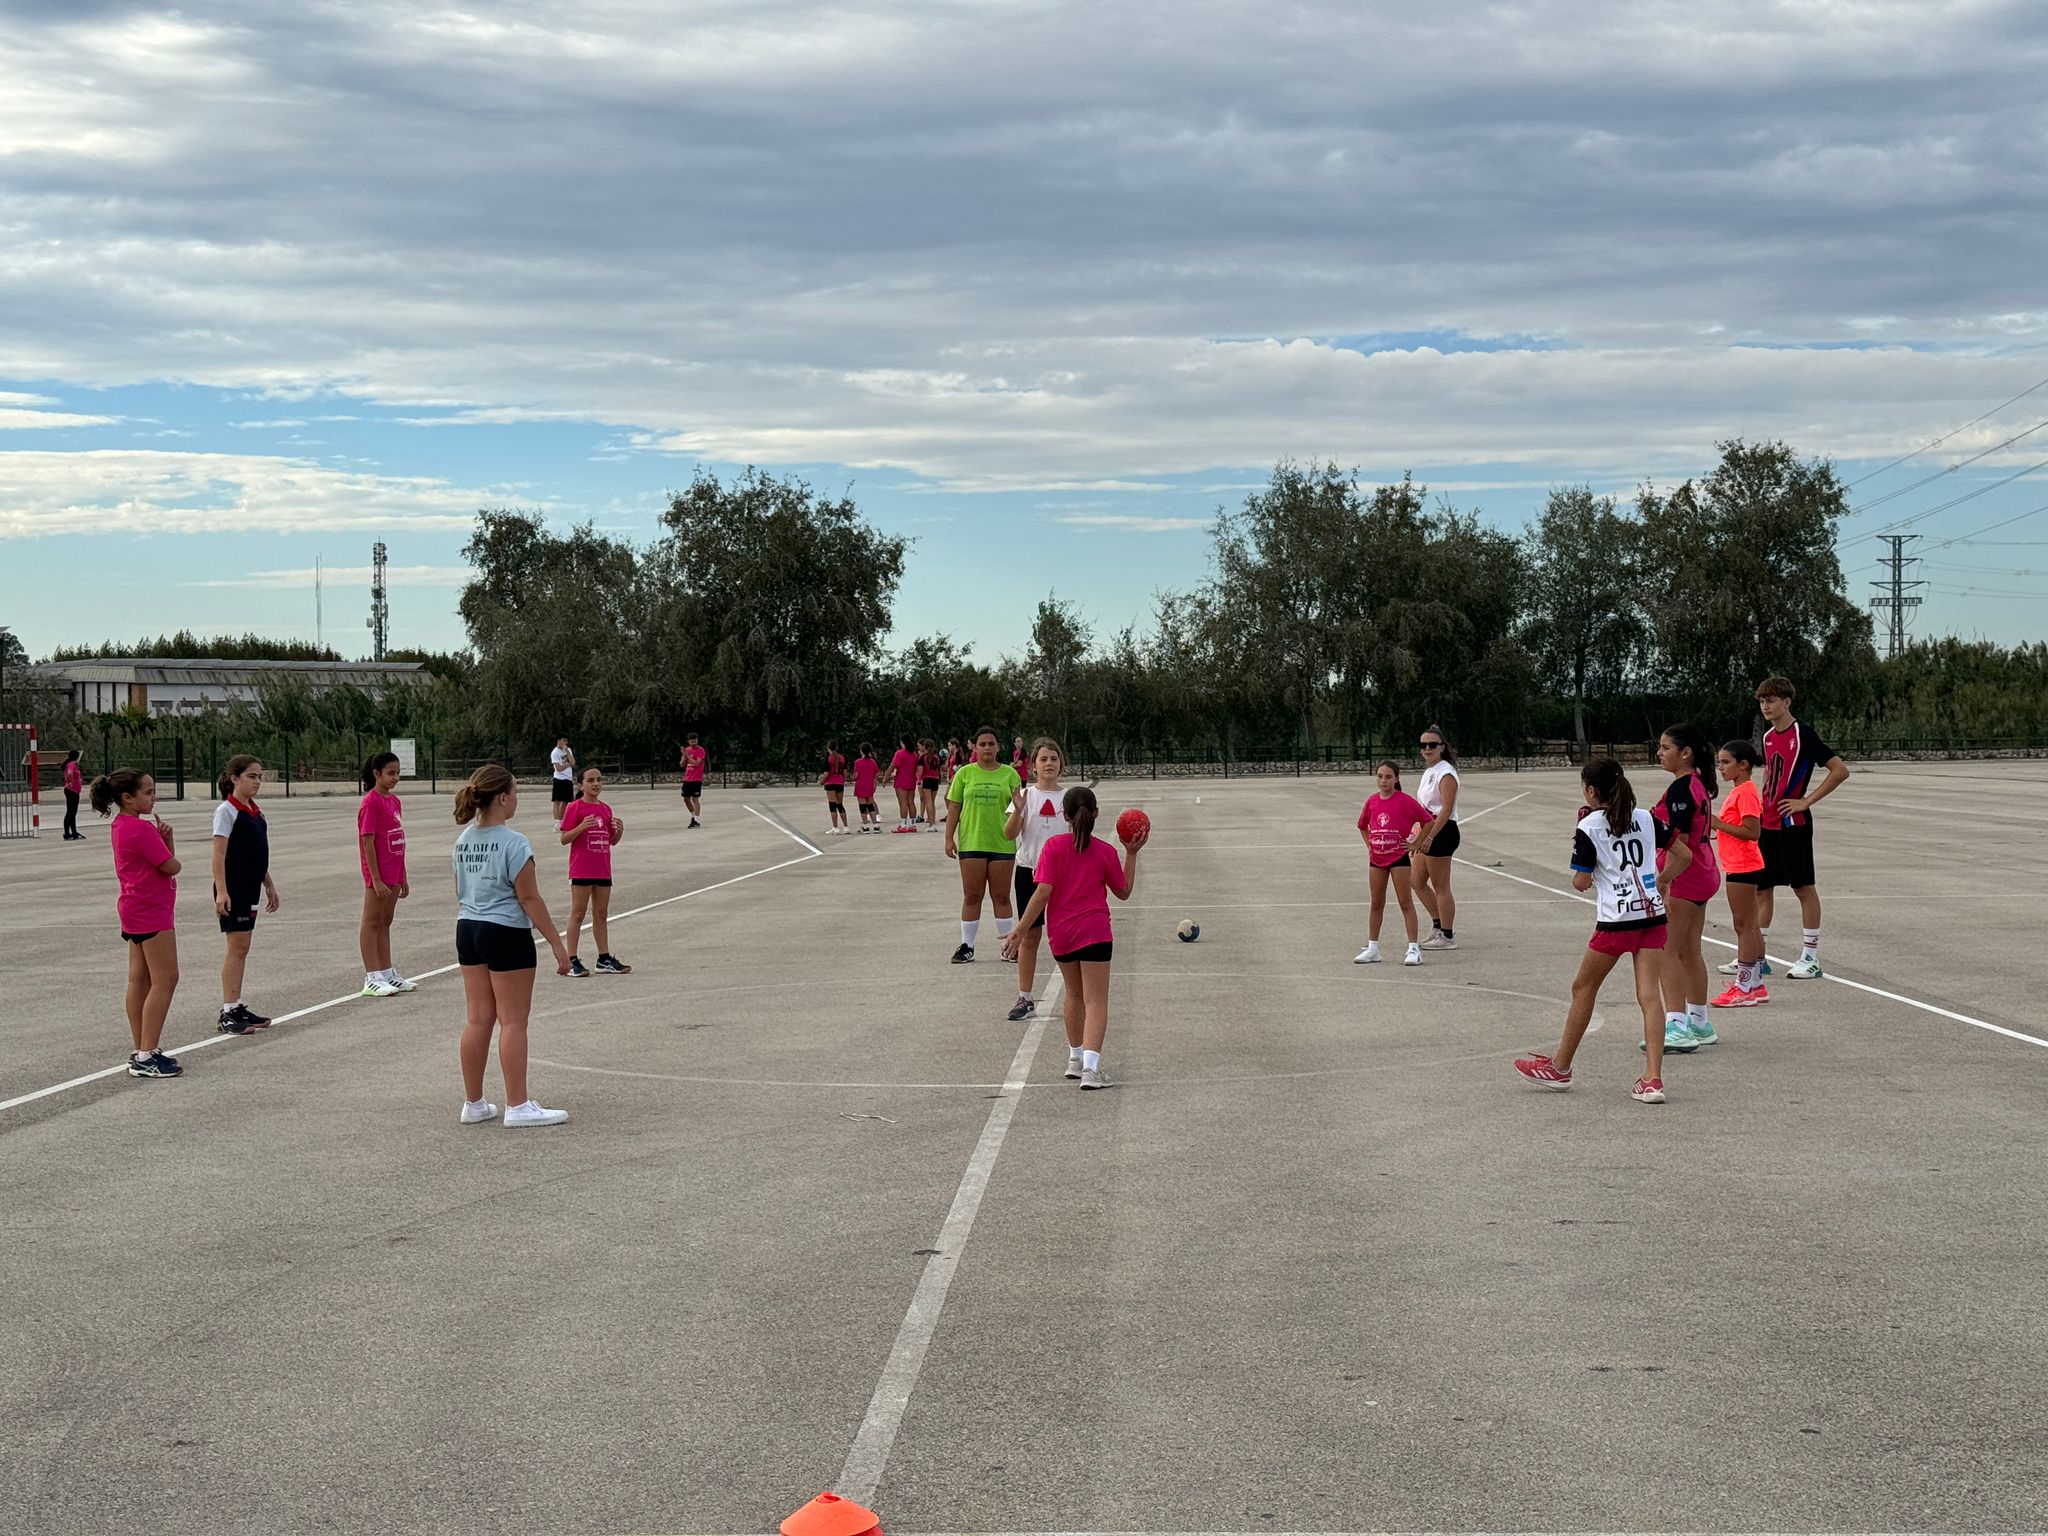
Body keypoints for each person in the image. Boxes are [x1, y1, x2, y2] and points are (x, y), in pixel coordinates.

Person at [1513, 758, 1672, 1105]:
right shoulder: (1647, 818)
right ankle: (1653, 1078)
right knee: (1649, 995)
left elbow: (1581, 881)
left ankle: (1561, 1066)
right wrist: (1659, 883)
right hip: (1652, 915)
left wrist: (1586, 874)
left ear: (1590, 790)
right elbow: (1685, 854)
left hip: (1616, 920)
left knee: (1583, 987)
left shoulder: (1590, 826)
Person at [1001, 784, 1146, 1088]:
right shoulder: (1105, 852)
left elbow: (1042, 894)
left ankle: (1075, 1059)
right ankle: (1091, 1070)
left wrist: (1020, 930)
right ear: (1096, 814)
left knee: (1074, 995)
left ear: (1064, 815)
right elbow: (1124, 892)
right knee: (1096, 1001)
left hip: (1061, 935)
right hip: (1095, 932)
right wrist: (1131, 854)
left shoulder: (1053, 847)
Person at [452, 764, 573, 1127]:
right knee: (514, 1021)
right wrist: (557, 943)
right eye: (516, 792)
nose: (517, 798)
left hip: (468, 928)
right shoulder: (514, 842)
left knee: (477, 1019)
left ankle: (474, 1103)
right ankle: (517, 1105)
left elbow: (461, 889)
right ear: (502, 798)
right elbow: (530, 898)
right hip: (504, 933)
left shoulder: (463, 841)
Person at [1754, 676, 1850, 980]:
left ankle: (1810, 957)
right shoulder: (1769, 737)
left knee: (1802, 887)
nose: (1766, 706)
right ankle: (1757, 955)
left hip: (1792, 823)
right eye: (1762, 701)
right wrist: (1761, 804)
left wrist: (1806, 800)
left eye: (1771, 700)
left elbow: (1839, 770)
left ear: (1787, 702)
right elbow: (1771, 772)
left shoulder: (1803, 734)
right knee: (1762, 888)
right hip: (1768, 822)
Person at [92, 768, 182, 1079]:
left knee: (139, 980)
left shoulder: (121, 825)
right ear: (127, 798)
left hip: (133, 909)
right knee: (166, 979)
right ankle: (146, 1055)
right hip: (151, 911)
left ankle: (142, 1047)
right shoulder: (141, 831)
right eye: (147, 793)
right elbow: (172, 866)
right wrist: (167, 841)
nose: (153, 797)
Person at [1652, 723, 1720, 1054]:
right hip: (1705, 871)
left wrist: (1663, 880)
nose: (1660, 753)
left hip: (1686, 876)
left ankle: (1676, 1024)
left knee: (1667, 950)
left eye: (1666, 748)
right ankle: (1699, 1020)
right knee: (1690, 950)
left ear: (1686, 752)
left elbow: (1679, 846)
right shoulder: (1698, 785)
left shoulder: (1682, 788)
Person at [211, 754, 280, 1035]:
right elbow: (219, 853)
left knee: (244, 947)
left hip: (251, 884)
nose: (257, 782)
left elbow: (256, 853)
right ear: (234, 779)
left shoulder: (254, 810)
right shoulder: (227, 811)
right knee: (236, 948)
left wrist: (269, 883)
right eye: (252, 776)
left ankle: (237, 1005)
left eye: (259, 776)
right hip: (235, 886)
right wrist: (222, 891)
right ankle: (228, 1011)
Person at [943, 726, 1023, 962]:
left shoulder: (1010, 775)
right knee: (972, 896)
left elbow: (1019, 809)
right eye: (982, 744)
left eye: (991, 744)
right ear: (974, 748)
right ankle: (967, 946)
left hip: (1002, 844)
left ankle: (1007, 947)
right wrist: (949, 837)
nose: (987, 748)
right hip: (972, 843)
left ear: (998, 747)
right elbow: (955, 807)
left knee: (1001, 896)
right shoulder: (965, 774)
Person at [1001, 736, 1067, 1020]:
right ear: (1034, 766)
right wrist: (1018, 809)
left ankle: (1076, 994)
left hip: (1065, 876)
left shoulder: (1070, 798)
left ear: (1061, 765)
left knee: (1065, 936)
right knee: (1030, 936)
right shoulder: (1026, 796)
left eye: (1054, 758)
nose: (1049, 763)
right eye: (1043, 759)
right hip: (1030, 872)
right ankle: (1025, 997)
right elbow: (1009, 834)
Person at [1354, 761, 1431, 966]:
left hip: (1398, 857)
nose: (1383, 781)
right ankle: (1372, 948)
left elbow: (1428, 821)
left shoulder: (1405, 801)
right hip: (1376, 858)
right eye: (1380, 776)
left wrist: (1417, 842)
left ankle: (1413, 948)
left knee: (1405, 902)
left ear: (1396, 779)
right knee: (1376, 902)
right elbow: (1362, 825)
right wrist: (1369, 844)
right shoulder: (1372, 801)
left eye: (1388, 777)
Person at [1711, 738, 1770, 1009]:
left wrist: (1719, 825)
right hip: (1741, 864)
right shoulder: (1739, 790)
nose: (1720, 768)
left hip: (1743, 866)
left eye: (1725, 762)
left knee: (1743, 926)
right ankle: (1755, 983)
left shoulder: (1745, 791)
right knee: (1751, 925)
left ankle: (1744, 985)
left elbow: (1752, 831)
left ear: (1743, 765)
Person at [559, 765, 631, 978]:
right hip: (582, 868)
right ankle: (572, 959)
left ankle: (604, 958)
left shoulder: (605, 809)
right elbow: (564, 838)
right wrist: (581, 827)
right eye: (590, 780)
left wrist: (619, 831)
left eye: (599, 779)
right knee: (578, 913)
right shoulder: (575, 807)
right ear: (581, 785)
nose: (596, 784)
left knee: (601, 914)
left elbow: (610, 841)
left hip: (602, 869)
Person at [357, 751, 415, 997]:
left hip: (393, 872)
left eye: (398, 773)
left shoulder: (394, 802)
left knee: (385, 921)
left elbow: (398, 840)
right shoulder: (371, 802)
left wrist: (402, 875)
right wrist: (376, 878)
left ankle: (387, 971)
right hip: (378, 874)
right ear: (376, 774)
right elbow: (368, 842)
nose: (395, 778)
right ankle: (372, 976)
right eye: (390, 773)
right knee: (372, 922)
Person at [1412, 725, 1461, 950]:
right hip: (1428, 829)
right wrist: (1417, 833)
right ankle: (1437, 924)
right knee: (1416, 880)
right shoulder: (1429, 771)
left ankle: (1447, 935)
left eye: (1433, 745)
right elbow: (1421, 807)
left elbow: (1446, 808)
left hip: (1443, 831)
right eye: (1424, 745)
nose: (1427, 748)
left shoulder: (1446, 772)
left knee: (1441, 885)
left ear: (1442, 747)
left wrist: (1430, 836)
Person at [889, 736, 919, 833]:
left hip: (901, 781)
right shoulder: (914, 754)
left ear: (902, 743)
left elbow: (892, 766)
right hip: (911, 781)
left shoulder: (900, 753)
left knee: (903, 803)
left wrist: (886, 777)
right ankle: (913, 824)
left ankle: (903, 825)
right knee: (911, 802)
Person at [821, 741, 849, 835]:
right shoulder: (842, 758)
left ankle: (835, 827)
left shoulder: (828, 759)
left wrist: (822, 782)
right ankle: (846, 827)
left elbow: (826, 773)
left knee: (832, 805)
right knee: (840, 804)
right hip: (839, 782)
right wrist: (843, 780)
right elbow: (845, 772)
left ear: (828, 748)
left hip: (830, 783)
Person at [852, 743, 882, 833]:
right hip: (869, 785)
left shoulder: (858, 762)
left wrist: (853, 777)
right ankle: (875, 825)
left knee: (862, 806)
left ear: (861, 751)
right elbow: (877, 774)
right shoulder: (872, 762)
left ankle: (865, 826)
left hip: (860, 785)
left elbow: (856, 775)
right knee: (870, 805)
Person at [679, 734, 707, 828]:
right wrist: (683, 756)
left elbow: (697, 763)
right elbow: (682, 764)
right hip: (687, 778)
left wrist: (687, 755)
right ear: (688, 741)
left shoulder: (700, 750)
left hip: (696, 779)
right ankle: (692, 815)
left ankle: (696, 820)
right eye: (691, 741)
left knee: (695, 798)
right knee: (686, 799)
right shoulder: (687, 750)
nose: (693, 743)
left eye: (695, 741)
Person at [549, 736, 576, 829]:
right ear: (559, 741)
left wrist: (567, 752)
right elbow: (558, 768)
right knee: (557, 800)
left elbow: (573, 763)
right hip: (559, 779)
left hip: (568, 779)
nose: (565, 743)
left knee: (566, 801)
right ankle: (556, 822)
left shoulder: (568, 750)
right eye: (564, 740)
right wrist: (567, 765)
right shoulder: (555, 752)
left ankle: (562, 820)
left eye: (566, 741)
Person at [917, 738, 943, 831]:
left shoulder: (923, 757)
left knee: (928, 802)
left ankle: (931, 824)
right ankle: (934, 823)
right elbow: (942, 768)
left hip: (927, 780)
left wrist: (919, 781)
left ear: (925, 747)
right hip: (935, 780)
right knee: (932, 802)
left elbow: (920, 771)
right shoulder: (937, 757)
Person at [62, 749, 84, 839]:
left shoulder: (70, 764)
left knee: (71, 812)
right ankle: (70, 833)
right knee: (71, 812)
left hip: (73, 790)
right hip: (72, 791)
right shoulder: (72, 764)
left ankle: (71, 832)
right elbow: (70, 773)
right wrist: (71, 782)